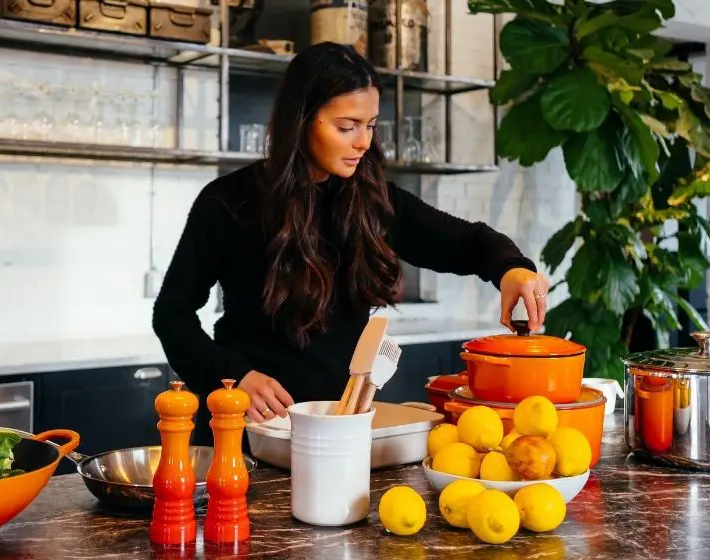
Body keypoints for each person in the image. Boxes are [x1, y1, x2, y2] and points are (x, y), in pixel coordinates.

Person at [151, 42, 548, 438]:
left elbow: (468, 243)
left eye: (370, 125)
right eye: (347, 126)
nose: (363, 142)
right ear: (302, 119)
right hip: (245, 433)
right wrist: (233, 377)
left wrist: (510, 269)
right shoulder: (228, 202)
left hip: (337, 433)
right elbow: (172, 315)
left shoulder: (372, 199)